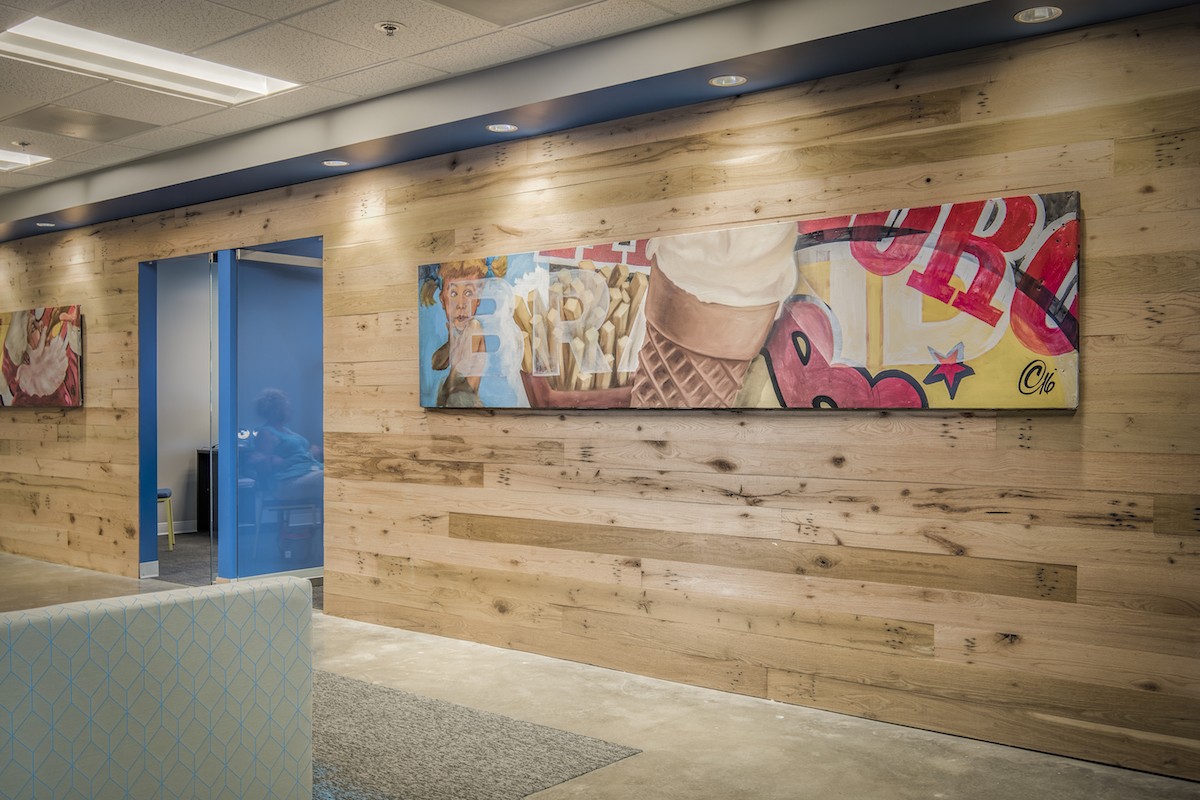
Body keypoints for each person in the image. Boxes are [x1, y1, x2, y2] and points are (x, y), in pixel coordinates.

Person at [251, 388, 323, 503]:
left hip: (308, 472)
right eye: (286, 406)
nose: (290, 410)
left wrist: (312, 455)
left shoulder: (288, 431)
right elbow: (265, 469)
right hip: (287, 482)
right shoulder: (266, 433)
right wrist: (311, 454)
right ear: (276, 410)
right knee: (329, 478)